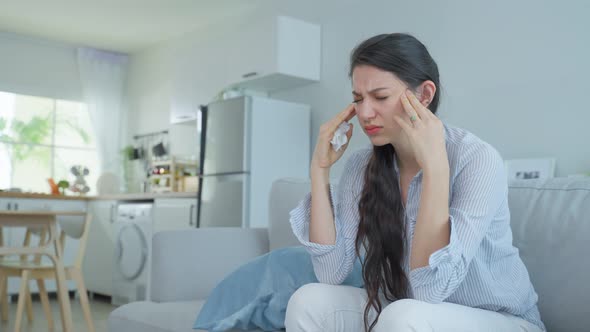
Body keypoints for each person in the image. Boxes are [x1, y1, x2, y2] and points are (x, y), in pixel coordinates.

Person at [285, 33, 545, 332]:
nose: (364, 113)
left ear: (423, 95)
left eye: (380, 97)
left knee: (404, 316)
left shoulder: (476, 158)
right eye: (358, 99)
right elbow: (330, 272)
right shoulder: (361, 166)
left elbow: (430, 290)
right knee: (308, 300)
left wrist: (434, 166)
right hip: (413, 315)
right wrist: (319, 170)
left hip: (502, 320)